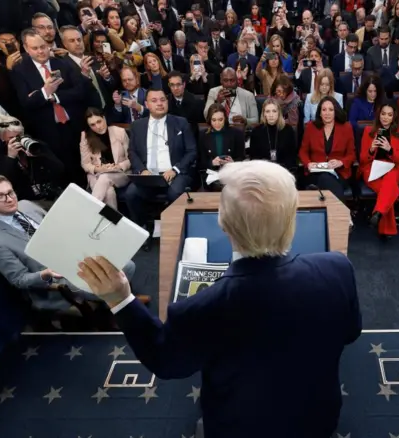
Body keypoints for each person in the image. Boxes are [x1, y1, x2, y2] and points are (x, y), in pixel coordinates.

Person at [76, 160, 361, 438]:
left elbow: (165, 361)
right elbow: (350, 332)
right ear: (293, 218)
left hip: (238, 428)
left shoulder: (199, 308)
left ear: (223, 223)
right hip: (318, 421)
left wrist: (121, 299)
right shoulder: (338, 270)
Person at [0, 174, 136, 313]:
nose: (9, 199)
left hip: (73, 254)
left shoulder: (25, 205)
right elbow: (19, 279)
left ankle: (118, 301)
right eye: (0, 197)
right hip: (57, 279)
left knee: (127, 265)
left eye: (10, 192)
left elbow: (55, 228)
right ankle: (123, 308)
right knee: (119, 274)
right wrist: (45, 274)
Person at [10, 29, 90, 184]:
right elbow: (26, 103)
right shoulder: (19, 71)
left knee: (81, 166)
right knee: (60, 172)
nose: (41, 51)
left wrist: (54, 96)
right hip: (46, 131)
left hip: (73, 124)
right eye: (35, 48)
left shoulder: (63, 62)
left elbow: (80, 91)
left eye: (43, 46)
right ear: (26, 49)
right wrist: (45, 91)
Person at [124, 89, 197, 226]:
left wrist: (175, 169)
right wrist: (142, 170)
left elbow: (191, 151)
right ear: (146, 104)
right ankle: (143, 229)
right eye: (154, 100)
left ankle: (175, 228)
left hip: (175, 173)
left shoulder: (181, 123)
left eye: (163, 100)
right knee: (131, 194)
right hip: (148, 174)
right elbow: (132, 152)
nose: (159, 104)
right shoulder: (137, 126)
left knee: (174, 193)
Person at [0, 115, 66, 202]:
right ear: (2, 138)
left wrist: (39, 155)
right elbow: (4, 182)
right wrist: (10, 157)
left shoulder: (35, 144)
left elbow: (59, 168)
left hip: (51, 194)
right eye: (11, 138)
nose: (17, 140)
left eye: (19, 135)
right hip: (24, 199)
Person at [359, 103, 399, 239]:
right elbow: (362, 159)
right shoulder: (369, 131)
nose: (385, 117)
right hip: (372, 168)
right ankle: (382, 221)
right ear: (379, 115)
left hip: (392, 167)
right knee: (388, 191)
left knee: (389, 181)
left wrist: (390, 149)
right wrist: (371, 149)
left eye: (389, 115)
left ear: (394, 117)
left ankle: (378, 213)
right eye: (383, 114)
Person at [299, 96, 356, 202]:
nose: (327, 113)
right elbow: (303, 152)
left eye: (330, 109)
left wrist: (341, 162)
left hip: (339, 173)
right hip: (315, 172)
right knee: (324, 177)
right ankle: (340, 213)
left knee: (325, 178)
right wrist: (308, 163)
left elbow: (351, 154)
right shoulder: (311, 127)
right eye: (324, 110)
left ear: (336, 111)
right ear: (319, 113)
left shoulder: (346, 127)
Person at [79, 108, 131, 209]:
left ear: (104, 118)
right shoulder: (86, 137)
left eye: (99, 121)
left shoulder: (119, 132)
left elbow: (131, 159)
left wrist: (118, 166)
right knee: (109, 192)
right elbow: (85, 164)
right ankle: (113, 222)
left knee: (105, 177)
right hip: (96, 176)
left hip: (120, 173)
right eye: (92, 125)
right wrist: (100, 169)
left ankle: (90, 211)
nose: (97, 127)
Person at [198, 103, 245, 191]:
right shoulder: (203, 135)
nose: (217, 123)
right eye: (214, 120)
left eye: (220, 120)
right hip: (211, 175)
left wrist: (233, 162)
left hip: (232, 173)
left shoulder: (236, 134)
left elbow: (242, 157)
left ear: (225, 119)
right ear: (209, 120)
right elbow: (200, 161)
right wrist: (211, 163)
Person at [249, 99, 297, 170]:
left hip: (284, 171)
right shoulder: (256, 131)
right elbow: (254, 157)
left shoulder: (288, 130)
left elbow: (292, 156)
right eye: (267, 111)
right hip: (263, 171)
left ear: (279, 113)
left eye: (274, 111)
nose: (271, 115)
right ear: (264, 114)